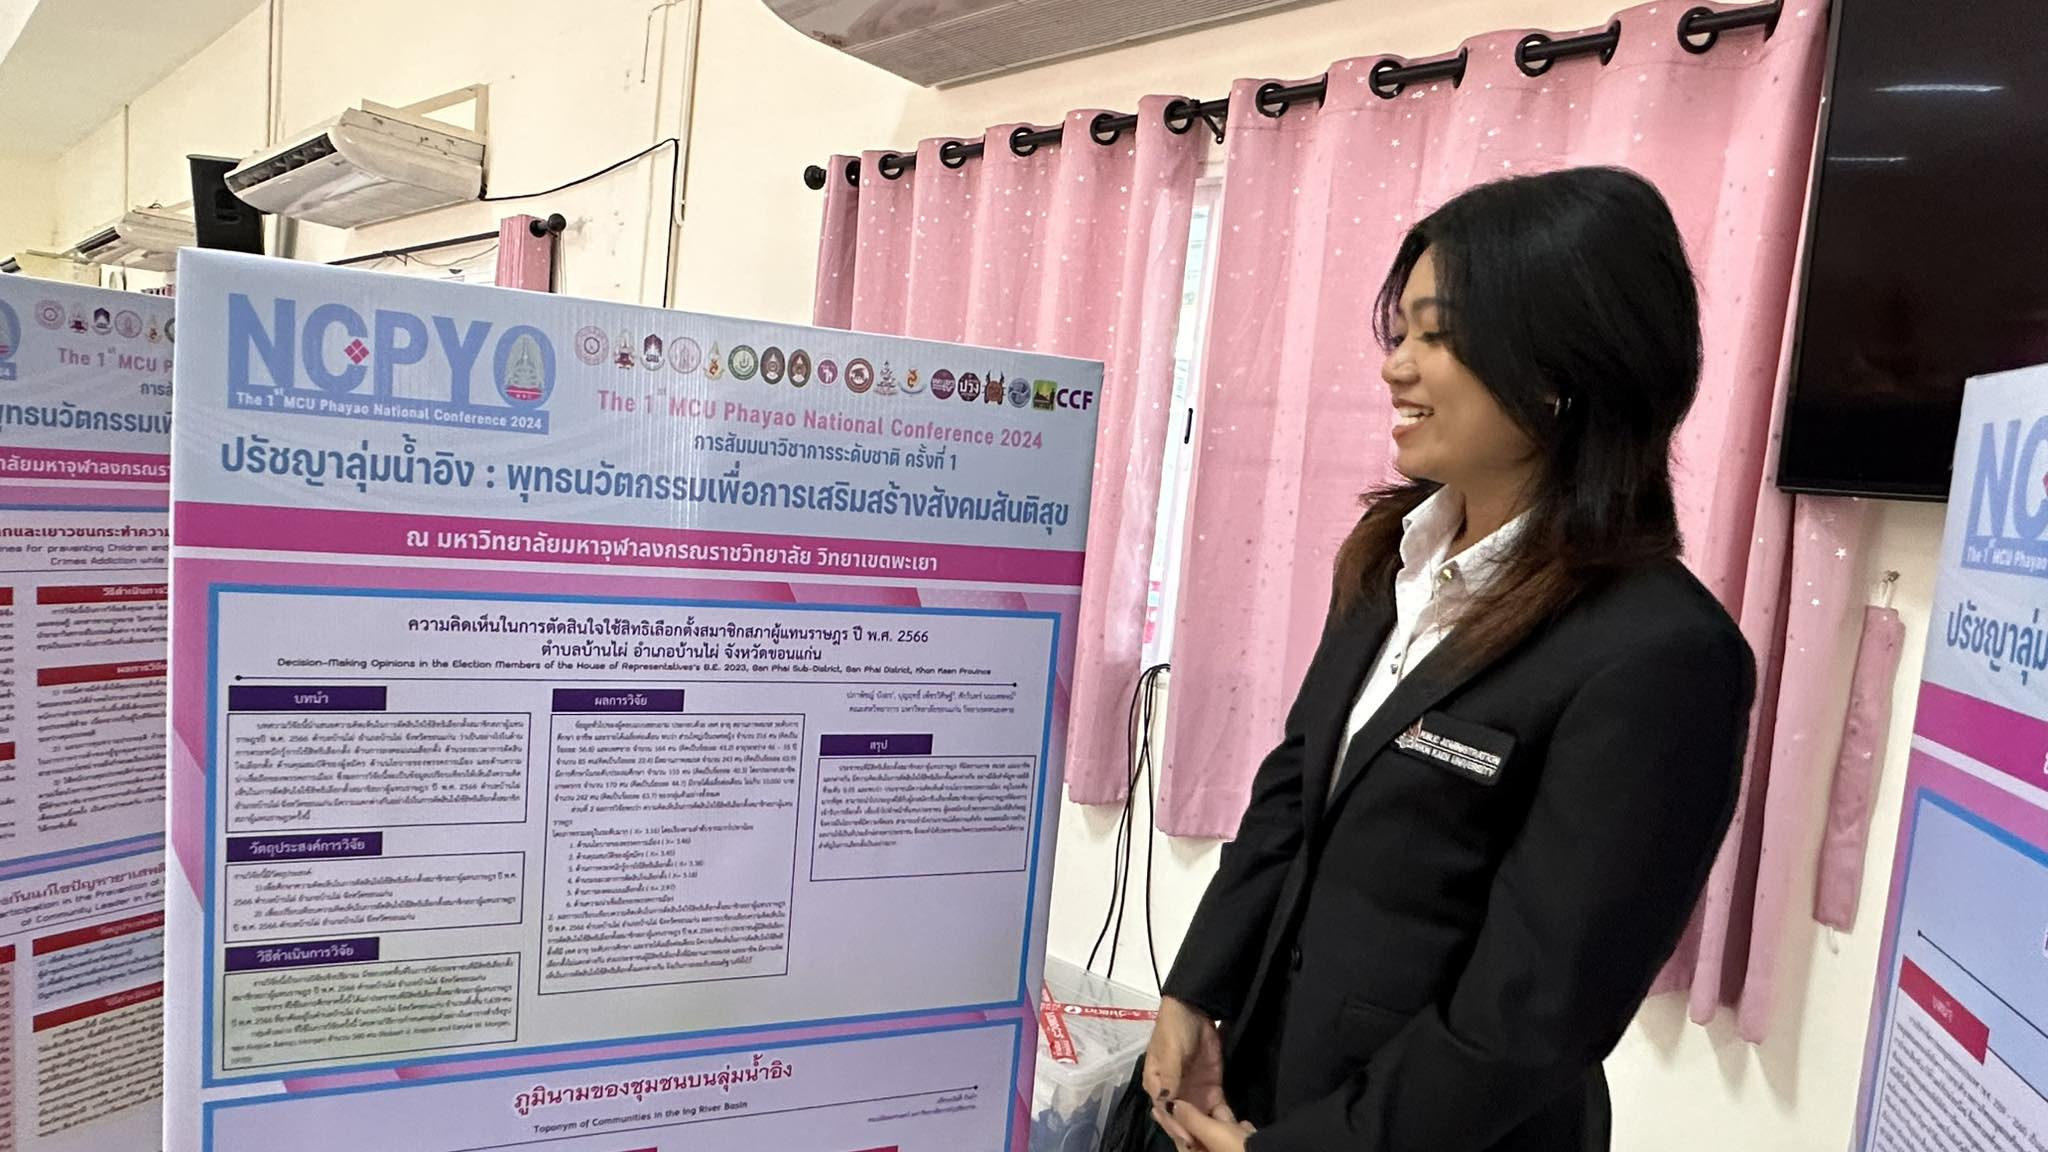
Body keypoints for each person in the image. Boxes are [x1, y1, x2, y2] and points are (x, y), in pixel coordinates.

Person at [1140, 166, 1756, 1152]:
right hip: (1270, 1079)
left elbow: (1534, 1010)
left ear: (1559, 368)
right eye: (1400, 335)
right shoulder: (1392, 559)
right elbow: (1294, 793)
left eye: (1437, 335)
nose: (1396, 367)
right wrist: (1194, 987)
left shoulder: (1661, 654)